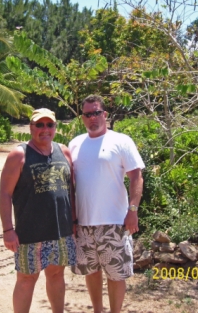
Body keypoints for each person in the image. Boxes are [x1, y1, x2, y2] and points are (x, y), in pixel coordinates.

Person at [69, 95, 145, 313]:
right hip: (83, 223)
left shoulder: (121, 141)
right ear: (82, 117)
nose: (93, 118)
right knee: (91, 272)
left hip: (114, 221)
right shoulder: (74, 144)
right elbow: (71, 185)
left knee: (116, 274)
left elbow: (136, 176)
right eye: (87, 114)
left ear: (105, 114)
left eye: (96, 113)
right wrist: (72, 219)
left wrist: (133, 210)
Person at [0, 108, 77, 313]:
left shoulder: (64, 151)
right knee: (26, 279)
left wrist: (74, 222)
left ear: (55, 127)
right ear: (31, 127)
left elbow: (71, 190)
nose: (45, 129)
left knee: (56, 275)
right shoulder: (19, 154)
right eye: (39, 125)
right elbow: (5, 193)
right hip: (29, 232)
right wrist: (8, 230)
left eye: (49, 125)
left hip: (61, 230)